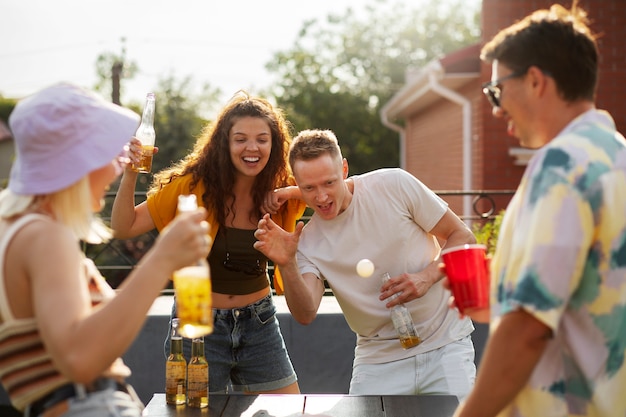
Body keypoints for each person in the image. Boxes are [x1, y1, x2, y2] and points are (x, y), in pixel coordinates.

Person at [448, 3, 626, 417]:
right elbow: (590, 297)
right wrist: (504, 290)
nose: (495, 107)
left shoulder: (561, 166)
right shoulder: (615, 157)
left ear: (534, 81)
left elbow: (527, 330)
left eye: (496, 91)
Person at [0, 83, 210, 417]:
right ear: (78, 161)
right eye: (108, 154)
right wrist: (162, 259)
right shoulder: (46, 235)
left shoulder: (12, 227)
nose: (118, 166)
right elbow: (80, 360)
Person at [254, 128, 477, 398]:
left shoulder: (395, 184)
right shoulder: (307, 240)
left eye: (329, 183)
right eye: (309, 188)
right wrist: (287, 263)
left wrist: (427, 277)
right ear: (298, 185)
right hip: (377, 360)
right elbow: (305, 313)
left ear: (344, 169)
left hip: (446, 344)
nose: (321, 197)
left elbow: (462, 236)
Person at [111, 91, 305, 394]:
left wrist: (287, 194)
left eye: (262, 139)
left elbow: (334, 195)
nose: (251, 148)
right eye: (240, 139)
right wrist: (130, 172)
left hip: (260, 321)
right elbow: (124, 226)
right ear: (224, 143)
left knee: (290, 412)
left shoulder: (282, 186)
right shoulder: (191, 185)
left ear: (274, 144)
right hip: (196, 323)